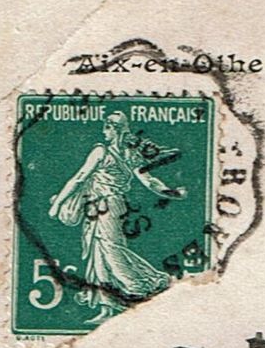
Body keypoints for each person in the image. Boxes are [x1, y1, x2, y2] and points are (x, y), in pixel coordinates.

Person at [47, 111, 184, 324]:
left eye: (107, 127)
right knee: (98, 254)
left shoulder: (102, 152)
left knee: (110, 249)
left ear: (114, 129)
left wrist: (57, 204)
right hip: (99, 207)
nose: (104, 131)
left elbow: (79, 177)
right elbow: (150, 181)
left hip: (107, 206)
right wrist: (169, 192)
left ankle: (144, 284)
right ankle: (107, 307)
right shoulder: (129, 156)